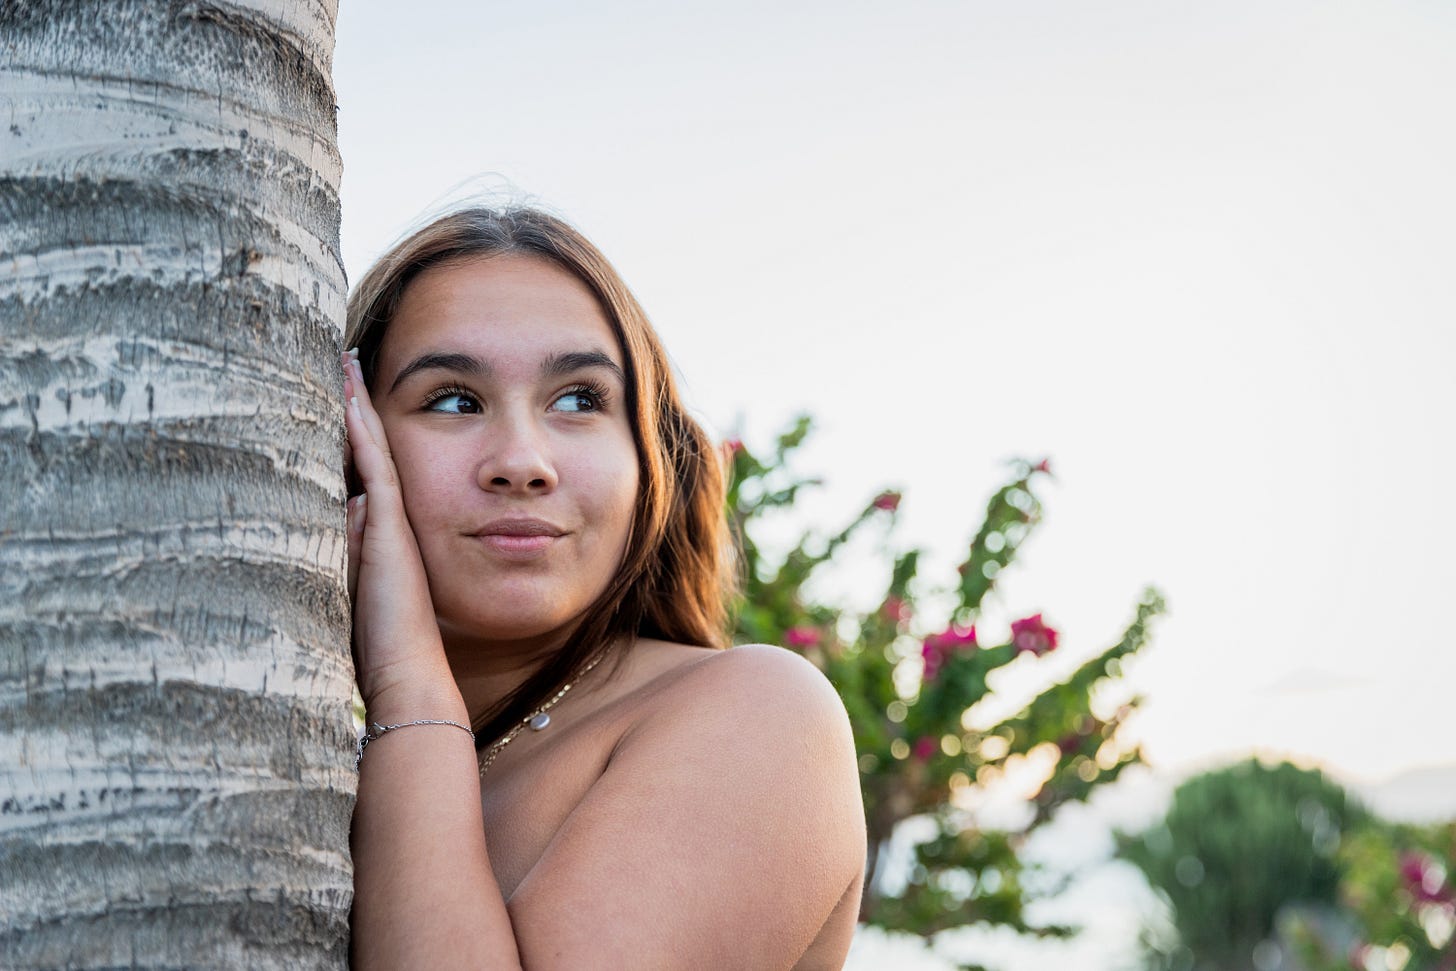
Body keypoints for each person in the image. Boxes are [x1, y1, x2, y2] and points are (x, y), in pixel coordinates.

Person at [341, 207, 866, 969]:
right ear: (356, 439)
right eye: (453, 399)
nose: (522, 461)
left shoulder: (760, 712)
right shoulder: (304, 754)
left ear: (649, 457)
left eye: (580, 398)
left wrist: (409, 683)